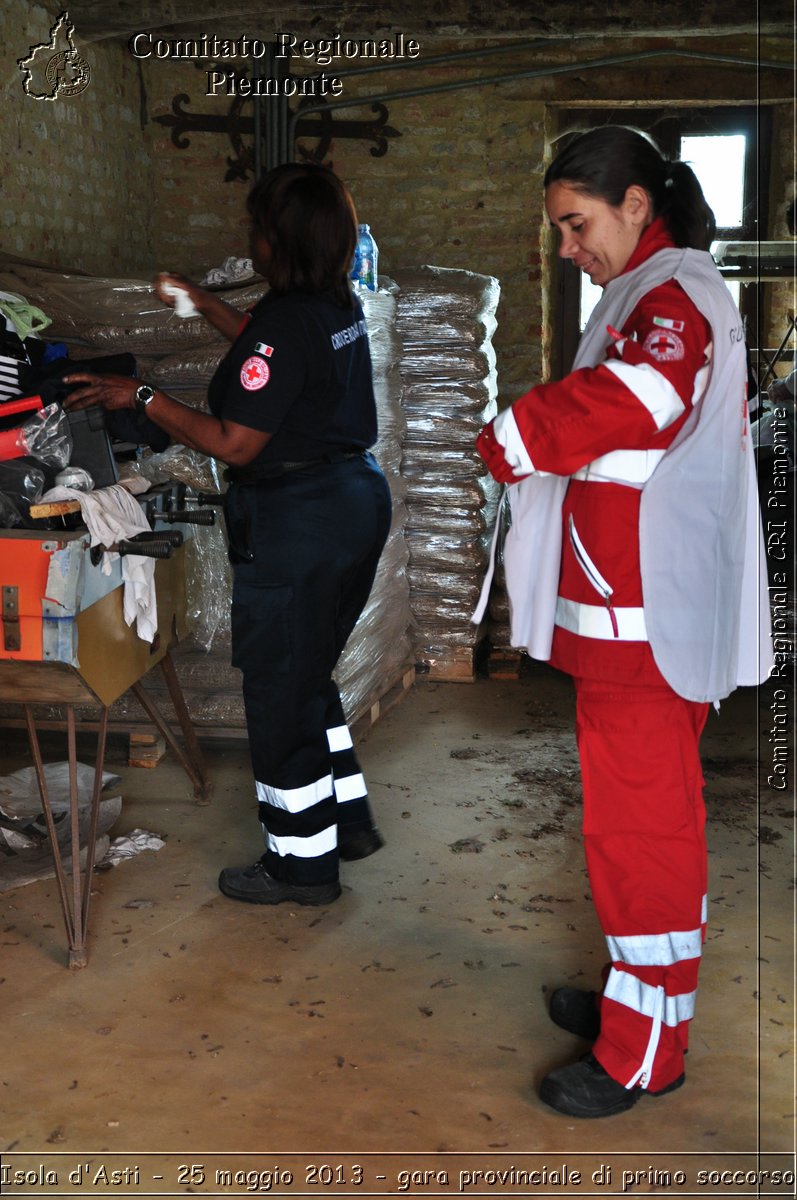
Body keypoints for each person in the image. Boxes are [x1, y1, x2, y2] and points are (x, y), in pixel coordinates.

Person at [476, 126, 772, 1118]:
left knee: (640, 836)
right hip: (626, 616)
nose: (566, 248)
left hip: (645, 623)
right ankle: (633, 999)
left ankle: (644, 1049)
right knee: (630, 827)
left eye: (575, 224)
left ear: (635, 207)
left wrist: (513, 434)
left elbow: (633, 401)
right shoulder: (646, 292)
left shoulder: (673, 299)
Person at [63, 162, 392, 908]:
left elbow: (236, 441)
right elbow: (269, 354)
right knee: (308, 673)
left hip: (298, 519)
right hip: (351, 503)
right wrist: (206, 305)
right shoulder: (330, 304)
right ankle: (346, 822)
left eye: (256, 230)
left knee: (279, 692)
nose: (251, 240)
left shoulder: (287, 319)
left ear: (278, 241)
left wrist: (141, 396)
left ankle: (300, 868)